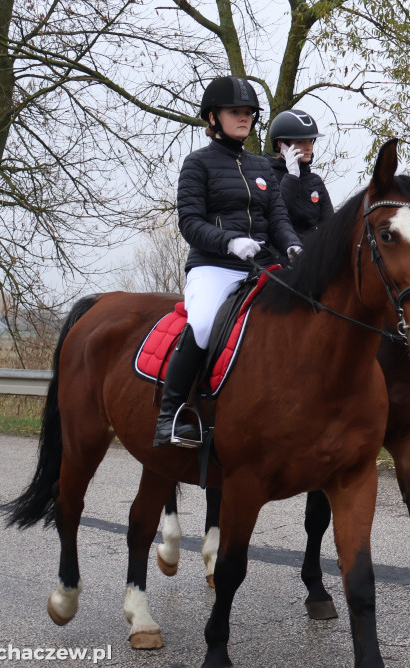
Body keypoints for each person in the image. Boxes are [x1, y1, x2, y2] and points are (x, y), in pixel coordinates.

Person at [153, 76, 302, 448]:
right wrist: (229, 242)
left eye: (249, 112)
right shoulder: (197, 164)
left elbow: (279, 219)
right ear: (213, 117)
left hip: (262, 267)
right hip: (213, 267)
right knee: (203, 323)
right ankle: (170, 415)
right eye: (235, 111)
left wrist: (294, 247)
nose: (244, 117)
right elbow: (190, 222)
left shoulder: (262, 167)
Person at [265, 109, 334, 247]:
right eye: (301, 142)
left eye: (311, 141)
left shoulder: (315, 181)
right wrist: (292, 176)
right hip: (279, 248)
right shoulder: (267, 173)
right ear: (281, 145)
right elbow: (276, 214)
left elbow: (329, 224)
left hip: (311, 250)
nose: (308, 147)